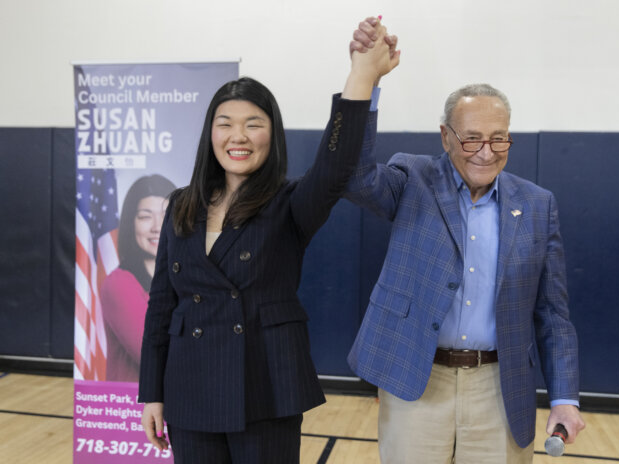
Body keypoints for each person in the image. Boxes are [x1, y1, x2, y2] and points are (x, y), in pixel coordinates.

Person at [137, 19, 400, 464]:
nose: (238, 136)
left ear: (271, 135)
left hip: (264, 385)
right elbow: (162, 303)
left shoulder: (291, 203)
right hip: (189, 388)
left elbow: (335, 167)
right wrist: (152, 392)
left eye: (252, 124)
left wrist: (361, 76)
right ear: (211, 134)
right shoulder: (181, 204)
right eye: (225, 124)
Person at [346, 20, 585, 463]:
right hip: (418, 378)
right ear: (445, 136)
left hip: (500, 385)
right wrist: (366, 81)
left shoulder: (537, 205)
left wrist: (564, 396)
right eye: (471, 137)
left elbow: (553, 315)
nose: (486, 150)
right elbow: (355, 177)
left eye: (498, 137)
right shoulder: (413, 178)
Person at [101, 174, 176, 382]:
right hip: (133, 407)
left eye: (166, 214)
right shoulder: (119, 284)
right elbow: (155, 357)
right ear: (130, 224)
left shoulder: (187, 274)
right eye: (145, 216)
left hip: (180, 406)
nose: (157, 226)